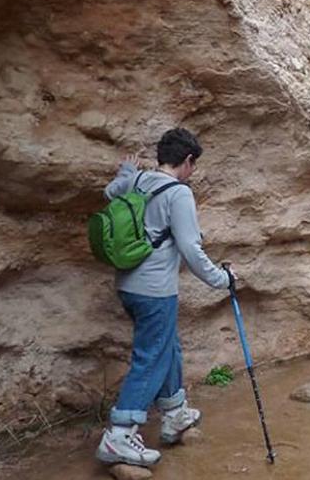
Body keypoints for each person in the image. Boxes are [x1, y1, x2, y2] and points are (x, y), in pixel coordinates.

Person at [95, 128, 234, 467]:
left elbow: (110, 193)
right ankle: (119, 435)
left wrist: (126, 173)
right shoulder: (179, 194)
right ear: (187, 161)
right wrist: (221, 279)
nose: (193, 172)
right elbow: (190, 247)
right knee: (152, 356)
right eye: (193, 165)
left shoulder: (137, 180)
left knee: (167, 346)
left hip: (127, 286)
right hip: (155, 291)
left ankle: (174, 414)